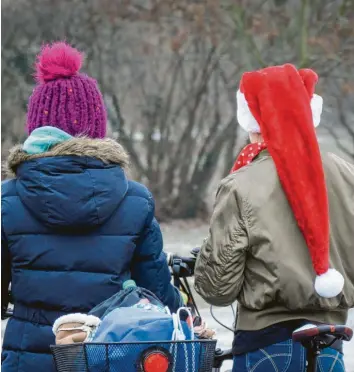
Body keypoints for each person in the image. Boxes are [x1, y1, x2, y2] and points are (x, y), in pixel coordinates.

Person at [1, 42, 183, 372]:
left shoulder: (7, 200)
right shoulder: (135, 200)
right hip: (109, 355)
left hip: (28, 358)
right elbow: (158, 299)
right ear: (97, 129)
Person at [194, 64, 354, 371]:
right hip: (331, 343)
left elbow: (217, 288)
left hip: (265, 344)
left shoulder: (241, 184)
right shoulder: (346, 174)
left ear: (254, 121)